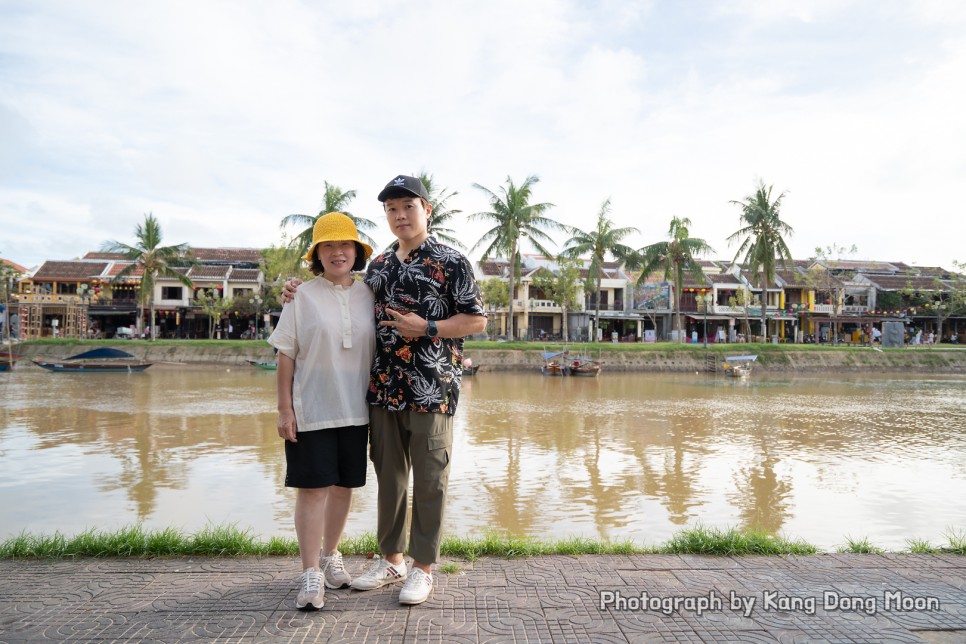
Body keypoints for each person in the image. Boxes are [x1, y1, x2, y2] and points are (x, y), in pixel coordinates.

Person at [283, 174, 486, 605]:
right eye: (392, 209)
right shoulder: (377, 268)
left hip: (432, 389)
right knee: (389, 478)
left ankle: (424, 567)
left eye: (408, 206)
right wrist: (295, 291)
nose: (400, 216)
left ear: (426, 210)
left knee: (431, 479)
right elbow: (339, 296)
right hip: (382, 389)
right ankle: (391, 558)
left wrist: (427, 326)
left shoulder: (452, 262)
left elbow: (477, 320)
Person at [269, 212, 375, 611]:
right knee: (312, 490)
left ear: (356, 252)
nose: (337, 252)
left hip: (357, 410)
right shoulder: (302, 296)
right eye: (328, 246)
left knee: (344, 488)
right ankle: (310, 572)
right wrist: (284, 410)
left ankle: (331, 556)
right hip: (311, 408)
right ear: (317, 254)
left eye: (345, 245)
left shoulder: (370, 295)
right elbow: (285, 354)